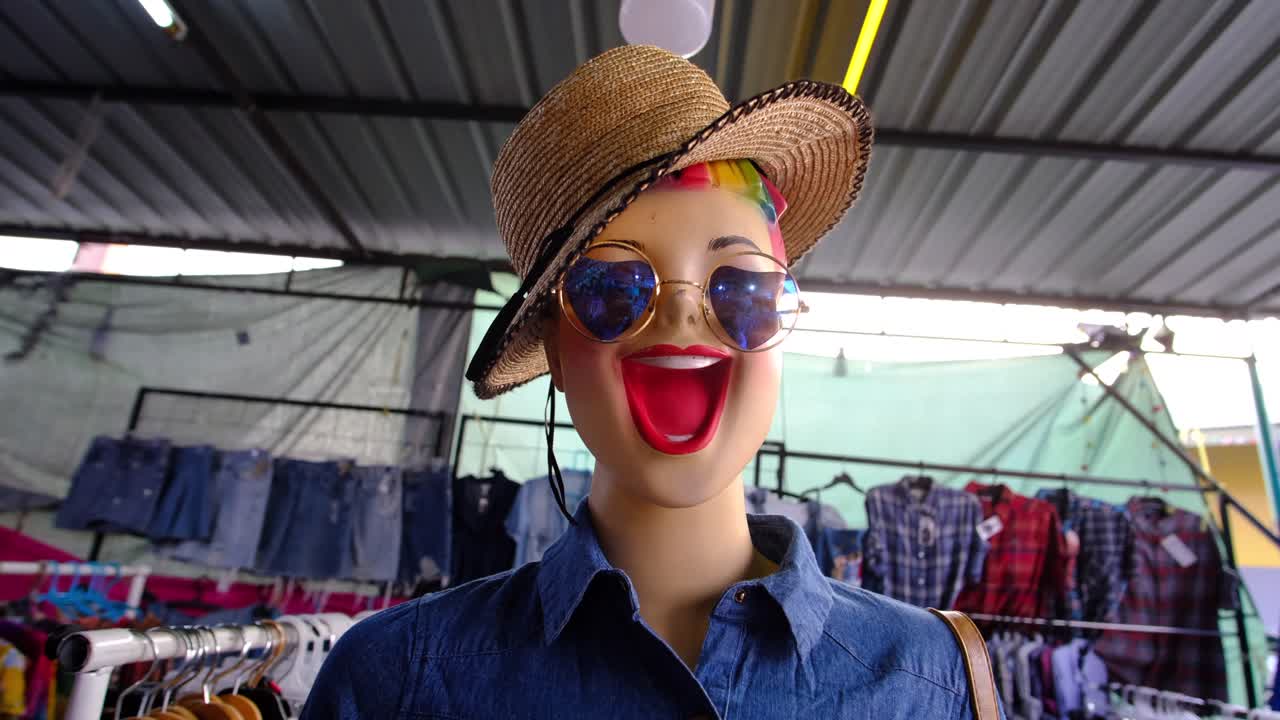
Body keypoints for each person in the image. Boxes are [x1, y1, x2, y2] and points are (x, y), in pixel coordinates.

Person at [302, 44, 999, 719]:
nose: (681, 311)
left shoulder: (934, 679)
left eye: (742, 289)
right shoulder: (394, 682)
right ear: (555, 349)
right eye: (613, 288)